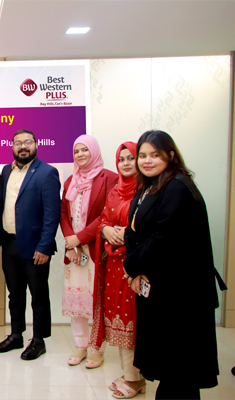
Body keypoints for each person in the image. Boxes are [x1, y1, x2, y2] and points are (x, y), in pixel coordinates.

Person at [125, 130, 225, 400]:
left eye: (154, 155)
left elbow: (163, 237)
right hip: (161, 287)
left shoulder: (177, 187)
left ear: (170, 155)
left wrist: (131, 266)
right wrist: (135, 270)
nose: (146, 161)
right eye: (142, 155)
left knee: (180, 369)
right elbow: (133, 230)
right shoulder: (150, 186)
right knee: (173, 369)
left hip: (183, 295)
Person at [0, 129, 61, 360]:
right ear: (12, 146)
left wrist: (44, 246)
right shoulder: (6, 170)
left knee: (38, 295)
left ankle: (39, 340)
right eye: (18, 143)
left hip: (35, 247)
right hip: (9, 242)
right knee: (14, 293)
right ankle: (16, 335)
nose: (23, 146)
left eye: (28, 142)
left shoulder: (47, 172)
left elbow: (52, 215)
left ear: (36, 144)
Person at [87, 141, 144, 398]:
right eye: (121, 159)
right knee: (118, 319)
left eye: (131, 158)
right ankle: (131, 373)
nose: (126, 163)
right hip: (113, 266)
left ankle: (135, 378)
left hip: (135, 265)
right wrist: (105, 230)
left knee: (133, 320)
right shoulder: (115, 191)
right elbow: (104, 219)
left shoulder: (146, 192)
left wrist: (128, 234)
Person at [60, 134, 118, 367]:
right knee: (77, 300)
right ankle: (81, 344)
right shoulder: (70, 181)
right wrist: (71, 242)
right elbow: (63, 213)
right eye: (76, 151)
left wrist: (80, 238)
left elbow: (108, 214)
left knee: (97, 300)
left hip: (96, 249)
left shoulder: (110, 178)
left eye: (85, 150)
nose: (80, 154)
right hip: (74, 251)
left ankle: (97, 347)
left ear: (94, 151)